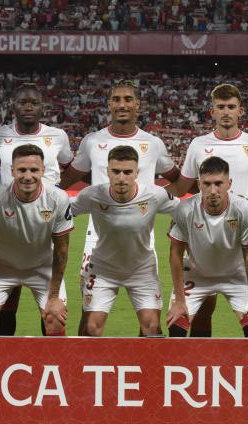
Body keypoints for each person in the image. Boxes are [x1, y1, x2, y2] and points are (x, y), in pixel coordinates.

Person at [59, 79, 180, 335]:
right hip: (97, 235)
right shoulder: (92, 141)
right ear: (109, 104)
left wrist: (170, 207)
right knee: (89, 310)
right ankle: (86, 365)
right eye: (116, 99)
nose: (122, 104)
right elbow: (68, 179)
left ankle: (143, 365)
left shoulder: (153, 143)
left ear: (137, 104)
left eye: (127, 99)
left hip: (141, 233)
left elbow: (177, 179)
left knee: (149, 320)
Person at [170, 83, 248, 337]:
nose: (226, 112)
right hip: (206, 235)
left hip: (247, 236)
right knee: (203, 308)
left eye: (231, 107)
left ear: (240, 111)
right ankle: (199, 368)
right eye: (220, 107)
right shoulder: (198, 145)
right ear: (211, 111)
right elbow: (182, 188)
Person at [0, 83, 73, 336]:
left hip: (45, 218)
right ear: (13, 106)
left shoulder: (57, 136)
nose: (28, 107)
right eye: (22, 102)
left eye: (34, 103)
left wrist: (57, 195)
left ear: (42, 107)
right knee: (8, 301)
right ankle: (4, 358)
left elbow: (69, 167)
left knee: (49, 307)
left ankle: (48, 359)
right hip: (9, 218)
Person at [70, 145, 179, 336]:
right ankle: (88, 366)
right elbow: (64, 212)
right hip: (102, 269)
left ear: (137, 172)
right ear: (107, 172)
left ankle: (144, 366)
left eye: (128, 172)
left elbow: (186, 211)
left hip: (142, 269)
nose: (121, 178)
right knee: (91, 328)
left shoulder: (155, 195)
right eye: (116, 171)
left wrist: (177, 225)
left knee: (152, 329)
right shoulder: (92, 195)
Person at [0, 144, 73, 336]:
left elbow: (62, 249)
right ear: (12, 171)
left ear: (43, 170)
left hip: (42, 266)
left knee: (55, 319)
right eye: (21, 170)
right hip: (2, 266)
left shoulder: (57, 198)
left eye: (34, 170)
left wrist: (54, 296)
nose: (27, 176)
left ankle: (53, 366)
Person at [167, 156, 248, 337]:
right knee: (176, 327)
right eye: (207, 184)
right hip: (197, 274)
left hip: (235, 275)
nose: (213, 190)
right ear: (199, 184)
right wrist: (179, 301)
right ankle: (190, 365)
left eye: (219, 183)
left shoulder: (244, 208)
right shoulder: (184, 209)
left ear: (229, 183)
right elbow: (175, 254)